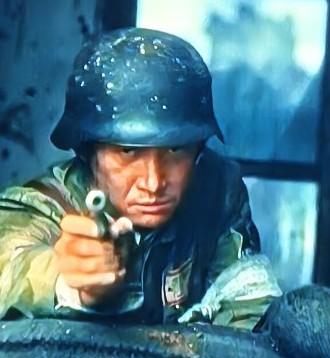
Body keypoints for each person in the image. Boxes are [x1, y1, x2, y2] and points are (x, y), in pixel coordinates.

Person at [0, 27, 281, 330]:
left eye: (175, 149)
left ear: (198, 149)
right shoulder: (41, 206)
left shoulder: (218, 191)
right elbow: (9, 264)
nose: (153, 182)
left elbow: (245, 301)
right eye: (127, 151)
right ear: (87, 151)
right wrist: (70, 282)